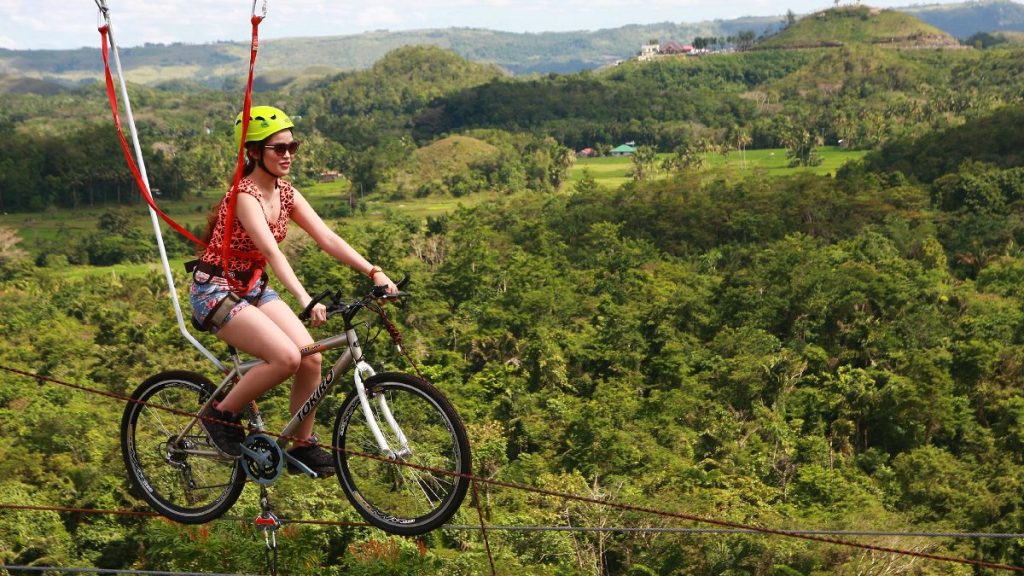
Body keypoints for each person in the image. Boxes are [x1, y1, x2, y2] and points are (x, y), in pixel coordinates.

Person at [189, 105, 397, 477]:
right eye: (278, 148)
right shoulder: (244, 195)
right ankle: (219, 414)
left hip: (252, 288)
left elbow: (327, 237)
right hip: (215, 291)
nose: (287, 155)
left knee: (311, 357)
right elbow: (271, 250)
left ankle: (302, 444)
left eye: (292, 147)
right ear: (254, 153)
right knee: (286, 358)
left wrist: (373, 271)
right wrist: (304, 299)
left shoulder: (286, 194)